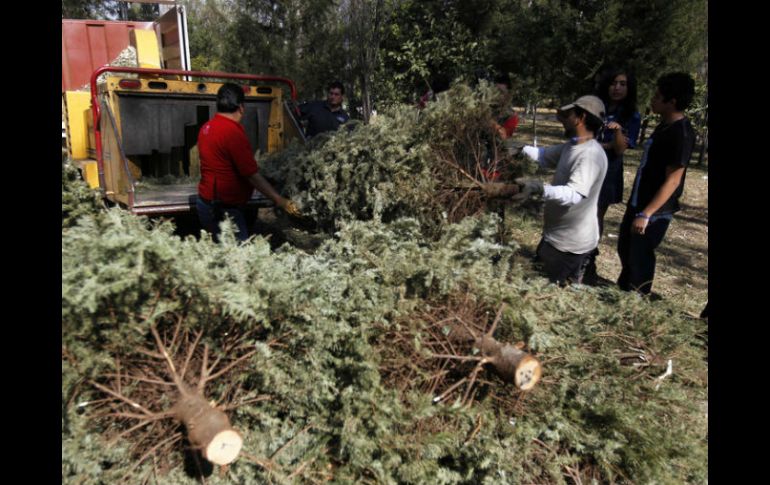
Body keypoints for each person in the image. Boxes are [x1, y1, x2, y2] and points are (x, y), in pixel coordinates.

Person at [490, 95, 608, 285]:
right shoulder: (573, 145)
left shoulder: (590, 155)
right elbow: (544, 156)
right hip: (555, 236)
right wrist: (520, 150)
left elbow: (573, 195)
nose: (563, 120)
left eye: (568, 115)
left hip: (569, 246)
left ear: (581, 117)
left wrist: (536, 188)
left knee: (546, 291)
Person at [616, 72, 696, 295]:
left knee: (640, 257)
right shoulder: (663, 126)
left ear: (672, 101)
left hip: (654, 211)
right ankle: (623, 294)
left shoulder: (682, 134)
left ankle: (636, 300)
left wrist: (646, 214)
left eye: (658, 96)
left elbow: (673, 180)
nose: (652, 99)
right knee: (625, 249)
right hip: (639, 201)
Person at [197, 83, 300, 242]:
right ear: (241, 107)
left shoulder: (206, 127)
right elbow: (251, 174)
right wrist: (279, 200)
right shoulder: (232, 132)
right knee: (238, 260)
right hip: (224, 211)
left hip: (206, 204)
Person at [582, 68, 642, 284]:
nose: (617, 88)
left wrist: (615, 134)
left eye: (623, 84)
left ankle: (589, 258)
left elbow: (620, 148)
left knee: (597, 213)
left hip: (608, 169)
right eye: (614, 83)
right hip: (585, 163)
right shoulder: (597, 108)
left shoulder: (632, 115)